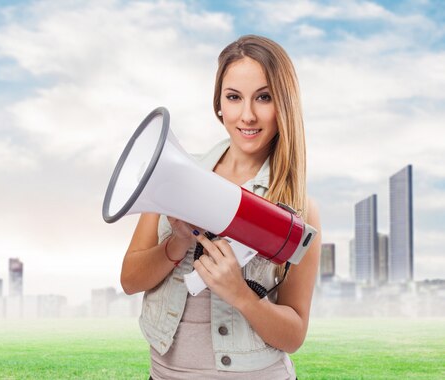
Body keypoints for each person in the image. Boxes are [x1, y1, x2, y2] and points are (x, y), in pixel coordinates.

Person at [120, 35, 321, 380]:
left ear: (283, 105)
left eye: (264, 97)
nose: (247, 115)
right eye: (233, 97)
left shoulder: (298, 209)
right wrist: (177, 243)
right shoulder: (173, 175)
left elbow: (294, 334)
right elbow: (129, 280)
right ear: (219, 105)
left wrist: (240, 295)